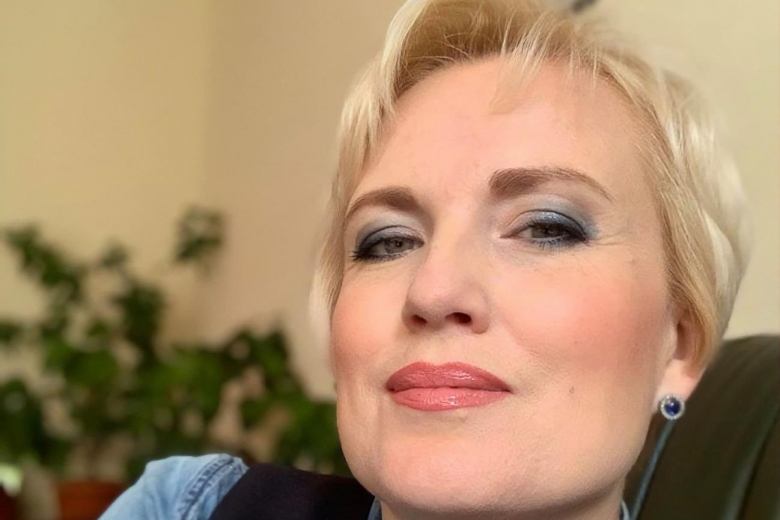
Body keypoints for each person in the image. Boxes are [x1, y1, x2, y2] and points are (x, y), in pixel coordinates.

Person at [100, 0, 750, 519]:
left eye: (545, 228)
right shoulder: (191, 507)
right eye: (388, 241)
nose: (433, 290)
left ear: (679, 346)